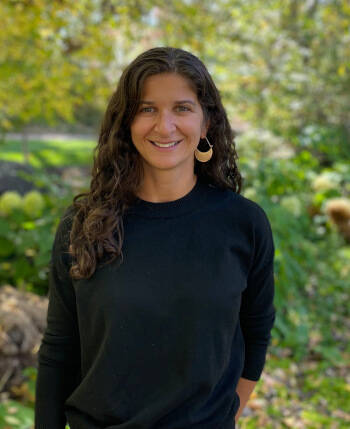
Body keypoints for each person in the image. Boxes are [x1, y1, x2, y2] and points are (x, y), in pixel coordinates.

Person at [34, 46, 276, 429]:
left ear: (206, 122)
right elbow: (60, 349)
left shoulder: (243, 224)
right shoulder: (84, 224)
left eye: (182, 108)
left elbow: (256, 332)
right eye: (147, 109)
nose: (164, 126)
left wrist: (222, 415)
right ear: (126, 122)